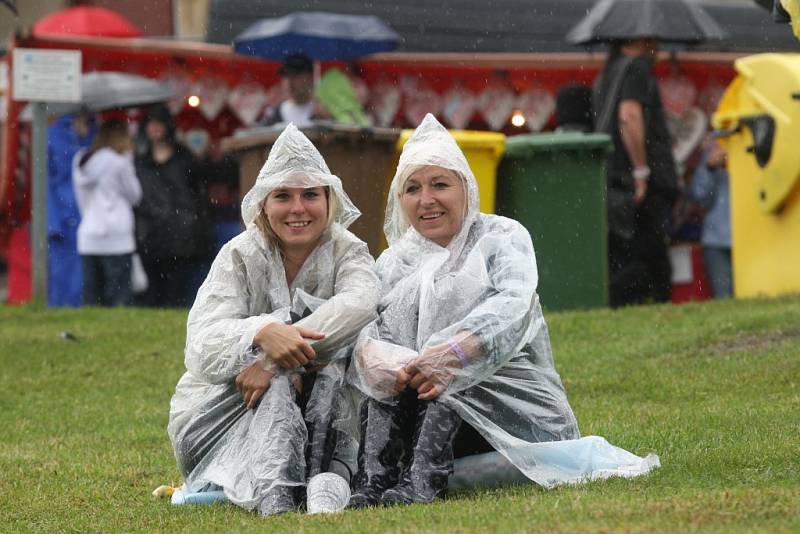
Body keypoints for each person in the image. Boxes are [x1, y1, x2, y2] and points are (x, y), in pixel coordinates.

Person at [348, 114, 657, 508]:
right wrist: (379, 360)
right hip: (425, 412)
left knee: (447, 378)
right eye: (412, 188)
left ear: (465, 188)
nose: (426, 200)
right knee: (395, 384)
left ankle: (422, 482)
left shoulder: (501, 238)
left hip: (508, 419)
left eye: (439, 184)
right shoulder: (394, 263)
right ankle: (373, 483)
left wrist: (456, 353)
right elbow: (370, 328)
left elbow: (511, 308)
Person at [167, 124, 378, 516]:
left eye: (310, 195)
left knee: (325, 370)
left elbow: (361, 304)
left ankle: (312, 483)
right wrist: (261, 331)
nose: (298, 208)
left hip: (324, 412)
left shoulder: (349, 252)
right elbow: (201, 345)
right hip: (222, 420)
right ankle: (279, 493)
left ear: (329, 200)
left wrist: (276, 355)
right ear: (263, 204)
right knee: (280, 385)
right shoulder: (239, 255)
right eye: (283, 196)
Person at [592, 39, 679, 307]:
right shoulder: (637, 67)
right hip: (639, 181)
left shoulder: (608, 72)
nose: (660, 44)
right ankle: (657, 305)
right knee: (652, 255)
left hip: (613, 180)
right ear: (641, 37)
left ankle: (624, 304)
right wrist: (641, 171)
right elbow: (628, 115)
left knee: (623, 254)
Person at [134, 106, 214, 307]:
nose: (155, 128)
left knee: (176, 290)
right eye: (150, 123)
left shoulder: (185, 158)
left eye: (159, 123)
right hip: (150, 234)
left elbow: (200, 189)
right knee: (153, 290)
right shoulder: (140, 161)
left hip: (180, 234)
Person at [72, 120, 142, 306]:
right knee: (119, 295)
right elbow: (135, 195)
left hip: (89, 234)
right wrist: (130, 162)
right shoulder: (121, 162)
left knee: (92, 293)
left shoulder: (80, 161)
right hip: (117, 236)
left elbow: (80, 197)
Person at [47, 112, 96, 306]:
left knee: (86, 275)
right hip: (65, 219)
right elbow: (45, 183)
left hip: (89, 216)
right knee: (62, 273)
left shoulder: (95, 134)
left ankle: (84, 309)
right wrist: (53, 222)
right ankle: (60, 310)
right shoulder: (52, 136)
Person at [688, 139, 732, 298]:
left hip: (753, 238)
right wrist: (710, 168)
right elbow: (700, 197)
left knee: (758, 298)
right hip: (717, 241)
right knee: (724, 300)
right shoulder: (716, 144)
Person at [261, 54, 326, 127]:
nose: (289, 82)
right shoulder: (274, 116)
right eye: (285, 76)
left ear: (310, 77)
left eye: (294, 75)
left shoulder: (324, 113)